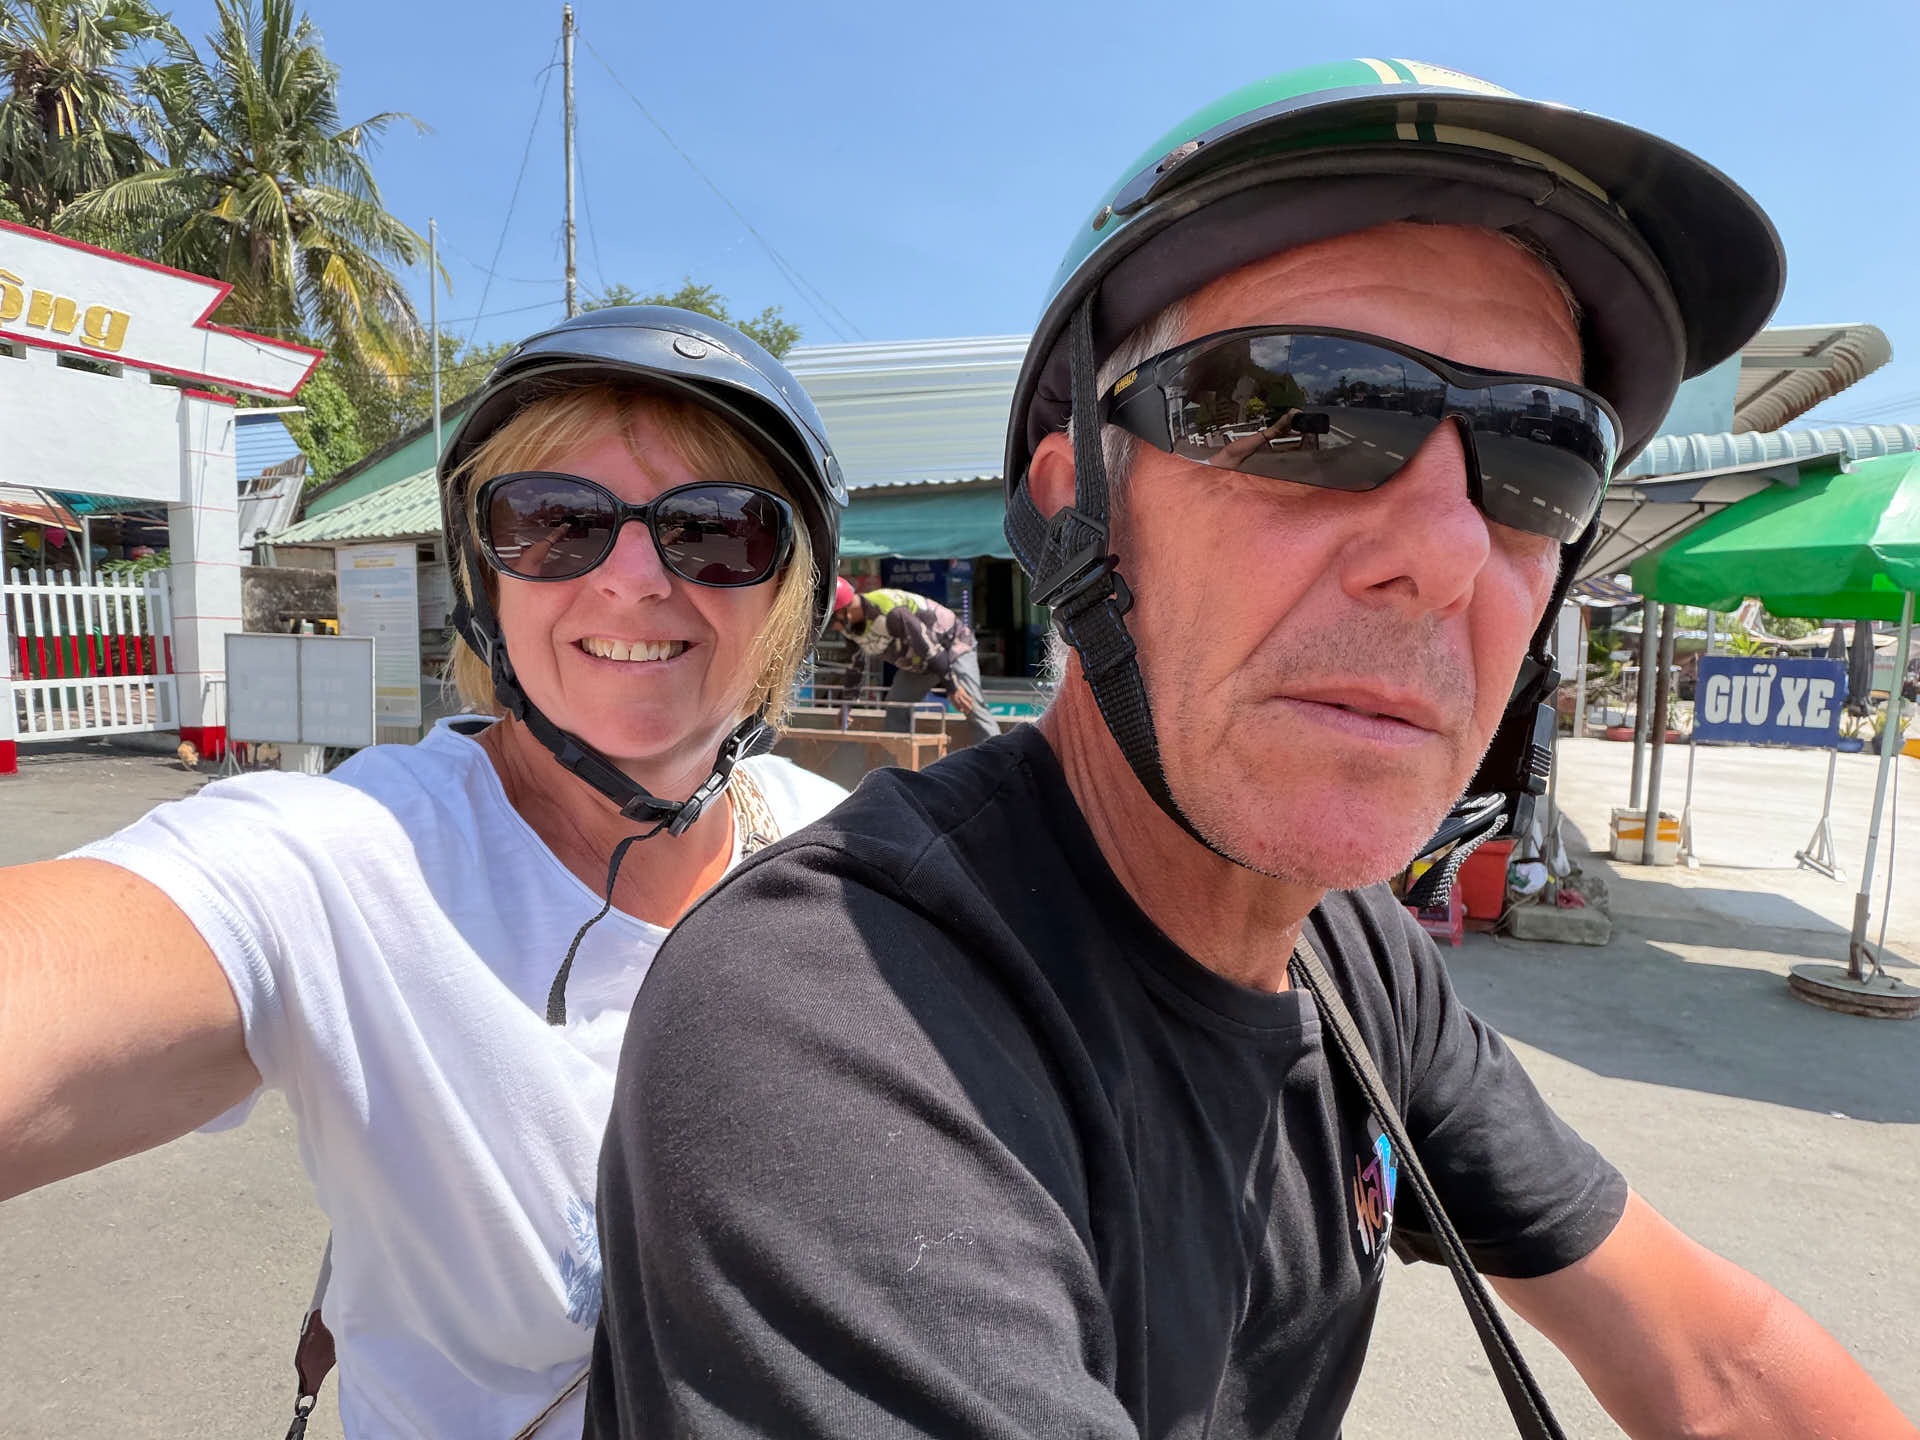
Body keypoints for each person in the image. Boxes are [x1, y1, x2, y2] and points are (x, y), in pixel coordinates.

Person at [585, 64, 1918, 1439]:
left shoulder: (1353, 957)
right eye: (1310, 411)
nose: (1449, 550)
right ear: (1079, 513)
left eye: (1543, 458)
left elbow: (1721, 1365)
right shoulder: (824, 1017)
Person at [0, 306, 852, 1438]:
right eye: (555, 520)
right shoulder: (342, 861)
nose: (633, 579)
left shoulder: (849, 860)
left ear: (791, 590)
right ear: (484, 576)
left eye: (716, 529)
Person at [830, 576, 1001, 741]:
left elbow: (931, 649)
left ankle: (1000, 755)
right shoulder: (849, 629)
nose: (833, 628)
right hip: (920, 662)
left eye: (831, 621)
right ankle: (899, 758)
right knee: (896, 707)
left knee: (970, 704)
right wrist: (846, 705)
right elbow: (856, 667)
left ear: (845, 610)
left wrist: (952, 687)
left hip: (952, 647)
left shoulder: (891, 612)